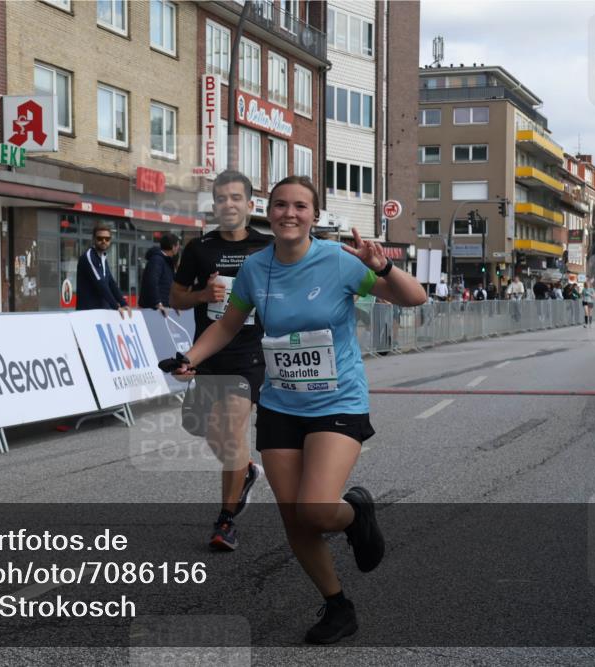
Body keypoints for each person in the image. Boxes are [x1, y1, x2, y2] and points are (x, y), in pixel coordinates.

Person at [165, 175, 427, 644]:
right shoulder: (254, 268)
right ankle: (336, 605)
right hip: (282, 402)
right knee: (294, 517)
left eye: (300, 206)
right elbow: (227, 326)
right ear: (269, 211)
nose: (289, 213)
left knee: (318, 510)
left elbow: (414, 298)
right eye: (281, 205)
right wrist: (191, 359)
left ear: (315, 215)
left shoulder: (339, 262)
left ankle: (356, 514)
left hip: (337, 400)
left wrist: (383, 268)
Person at [170, 170, 273, 551]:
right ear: (214, 206)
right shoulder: (199, 249)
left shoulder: (268, 247)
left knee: (232, 433)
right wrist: (202, 295)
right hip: (209, 351)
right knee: (205, 429)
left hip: (249, 353)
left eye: (235, 198)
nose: (228, 205)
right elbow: (177, 297)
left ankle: (226, 520)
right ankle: (245, 471)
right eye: (221, 199)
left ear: (250, 204)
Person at [75, 222, 129, 315]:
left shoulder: (103, 257)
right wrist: (116, 306)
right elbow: (101, 284)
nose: (104, 241)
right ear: (93, 239)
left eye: (107, 239)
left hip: (102, 310)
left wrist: (124, 303)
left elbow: (111, 282)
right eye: (100, 238)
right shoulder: (89, 256)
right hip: (88, 312)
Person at [139, 232, 180, 312]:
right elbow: (152, 282)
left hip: (163, 307)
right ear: (173, 247)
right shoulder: (157, 260)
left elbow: (168, 285)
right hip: (153, 309)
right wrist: (158, 303)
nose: (178, 248)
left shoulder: (167, 261)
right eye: (178, 245)